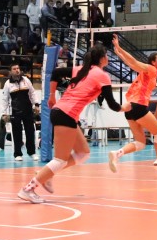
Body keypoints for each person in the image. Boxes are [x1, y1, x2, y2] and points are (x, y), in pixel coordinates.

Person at [17, 45, 123, 204]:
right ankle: (28, 189)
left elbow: (56, 72)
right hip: (65, 114)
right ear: (102, 58)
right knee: (60, 159)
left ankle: (47, 174)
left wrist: (51, 96)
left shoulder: (81, 70)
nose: (108, 58)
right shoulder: (101, 75)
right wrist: (126, 108)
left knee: (83, 153)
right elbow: (113, 104)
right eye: (107, 55)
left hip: (64, 113)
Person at [107, 35, 157, 174]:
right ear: (153, 62)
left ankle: (117, 154)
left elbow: (131, 64)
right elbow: (134, 61)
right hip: (138, 106)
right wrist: (120, 47)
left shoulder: (146, 73)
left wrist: (119, 54)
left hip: (130, 108)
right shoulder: (151, 69)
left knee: (140, 143)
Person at [2, 64, 39, 161]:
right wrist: (4, 113)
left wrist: (36, 104)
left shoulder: (26, 80)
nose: (17, 70)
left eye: (18, 68)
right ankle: (18, 154)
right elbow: (5, 99)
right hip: (15, 111)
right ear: (11, 71)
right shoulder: (7, 84)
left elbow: (32, 93)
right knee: (16, 133)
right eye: (14, 69)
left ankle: (32, 152)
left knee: (30, 131)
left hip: (28, 110)